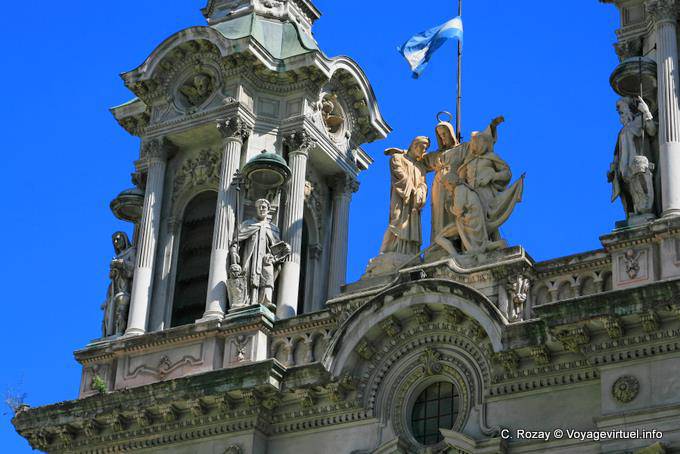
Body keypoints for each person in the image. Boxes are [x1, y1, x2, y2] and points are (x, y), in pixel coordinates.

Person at [230, 199, 290, 309]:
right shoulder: (247, 225)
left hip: (265, 261)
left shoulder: (273, 229)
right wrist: (234, 255)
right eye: (260, 207)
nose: (262, 209)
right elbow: (236, 242)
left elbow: (277, 247)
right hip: (250, 258)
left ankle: (265, 301)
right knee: (248, 276)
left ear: (268, 210)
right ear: (256, 209)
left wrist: (284, 250)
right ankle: (247, 301)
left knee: (267, 277)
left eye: (264, 207)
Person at [608, 96, 657, 218]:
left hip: (637, 167)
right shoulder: (622, 131)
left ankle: (644, 214)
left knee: (642, 199)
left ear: (629, 107)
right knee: (630, 201)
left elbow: (652, 131)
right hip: (623, 172)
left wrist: (646, 112)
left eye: (620, 106)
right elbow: (617, 152)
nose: (618, 110)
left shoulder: (640, 121)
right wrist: (613, 168)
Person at [380, 136, 430, 256]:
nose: (423, 151)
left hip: (414, 201)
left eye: (425, 149)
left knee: (411, 224)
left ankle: (409, 253)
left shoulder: (420, 167)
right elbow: (399, 173)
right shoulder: (398, 158)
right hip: (400, 196)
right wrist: (412, 189)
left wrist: (420, 191)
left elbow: (423, 184)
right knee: (396, 220)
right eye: (422, 148)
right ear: (414, 145)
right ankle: (384, 252)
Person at [101, 232, 136, 337]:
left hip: (125, 288)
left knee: (120, 311)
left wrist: (121, 263)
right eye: (114, 241)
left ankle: (119, 331)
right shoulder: (117, 257)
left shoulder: (131, 252)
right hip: (114, 289)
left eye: (118, 239)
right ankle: (111, 333)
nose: (116, 242)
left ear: (124, 239)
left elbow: (134, 267)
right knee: (108, 315)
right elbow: (112, 276)